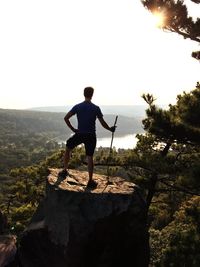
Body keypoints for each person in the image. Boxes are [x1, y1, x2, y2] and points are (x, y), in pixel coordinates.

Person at [59, 87, 116, 189]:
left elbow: (66, 118)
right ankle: (90, 180)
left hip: (80, 133)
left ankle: (64, 170)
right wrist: (110, 129)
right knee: (90, 156)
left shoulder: (78, 107)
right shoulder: (96, 108)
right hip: (91, 135)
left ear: (83, 94)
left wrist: (73, 129)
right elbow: (102, 123)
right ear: (92, 94)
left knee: (68, 147)